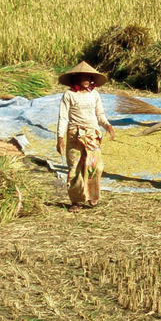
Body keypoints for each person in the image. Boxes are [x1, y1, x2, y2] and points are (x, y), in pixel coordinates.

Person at [56, 62, 115, 211]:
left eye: (89, 77)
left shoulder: (94, 94)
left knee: (95, 166)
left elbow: (100, 114)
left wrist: (108, 126)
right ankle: (75, 201)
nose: (87, 80)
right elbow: (63, 117)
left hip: (92, 134)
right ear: (76, 78)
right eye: (84, 77)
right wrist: (60, 138)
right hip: (74, 134)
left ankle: (92, 195)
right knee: (74, 167)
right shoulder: (69, 95)